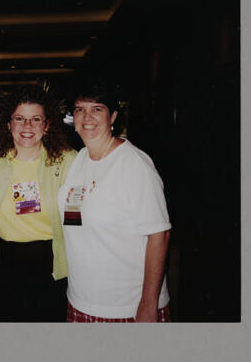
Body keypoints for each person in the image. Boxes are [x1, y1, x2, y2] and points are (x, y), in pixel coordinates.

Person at [57, 79, 171, 323]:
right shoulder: (80, 159)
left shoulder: (134, 164)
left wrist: (148, 305)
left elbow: (159, 235)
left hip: (126, 308)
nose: (87, 117)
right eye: (79, 109)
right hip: (81, 300)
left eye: (97, 109)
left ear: (113, 117)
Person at [0, 87, 77, 322]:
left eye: (36, 119)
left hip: (51, 262)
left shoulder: (67, 161)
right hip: (6, 261)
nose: (27, 126)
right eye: (19, 119)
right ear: (8, 124)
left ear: (47, 125)